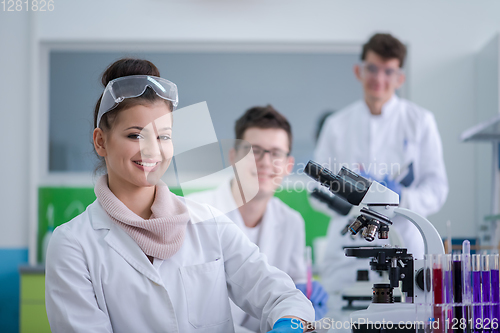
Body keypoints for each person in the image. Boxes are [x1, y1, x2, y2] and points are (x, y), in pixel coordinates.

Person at [44, 58, 315, 333]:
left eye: (163, 137)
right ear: (101, 141)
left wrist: (289, 323)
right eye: (135, 135)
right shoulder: (73, 244)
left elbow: (281, 295)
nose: (152, 151)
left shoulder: (209, 223)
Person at [313, 33, 448, 309]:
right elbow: (316, 193)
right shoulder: (337, 125)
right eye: (372, 69)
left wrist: (399, 199)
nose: (379, 78)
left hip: (404, 245)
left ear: (400, 78)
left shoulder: (420, 122)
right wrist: (352, 200)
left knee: (406, 309)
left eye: (389, 71)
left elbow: (437, 188)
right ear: (358, 71)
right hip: (346, 252)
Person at [188, 105, 328, 332]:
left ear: (288, 165)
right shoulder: (196, 214)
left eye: (276, 153)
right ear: (234, 156)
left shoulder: (291, 221)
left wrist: (304, 300)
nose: (264, 162)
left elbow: (294, 295)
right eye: (254, 151)